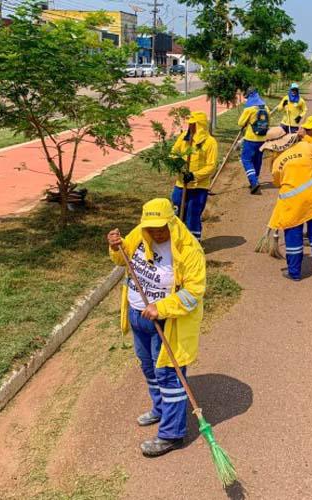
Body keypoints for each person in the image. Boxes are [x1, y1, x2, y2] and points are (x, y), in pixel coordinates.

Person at [107, 198, 207, 457]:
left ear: (171, 222)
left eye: (161, 227)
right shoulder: (140, 234)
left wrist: (161, 308)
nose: (156, 233)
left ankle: (172, 434)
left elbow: (194, 292)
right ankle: (160, 409)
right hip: (138, 316)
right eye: (150, 228)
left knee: (169, 375)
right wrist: (116, 247)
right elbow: (122, 260)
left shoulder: (189, 250)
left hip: (167, 322)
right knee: (149, 368)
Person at [269, 128, 312, 283]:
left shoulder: (277, 163)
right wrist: (306, 138)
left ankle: (294, 273)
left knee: (293, 237)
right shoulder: (304, 147)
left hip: (292, 206)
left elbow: (277, 182)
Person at [171, 111, 218, 241]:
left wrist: (194, 175)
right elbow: (174, 152)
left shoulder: (210, 142)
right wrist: (180, 166)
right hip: (181, 184)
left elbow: (211, 166)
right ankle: (177, 239)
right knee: (176, 210)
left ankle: (193, 243)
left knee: (193, 214)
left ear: (200, 125)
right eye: (190, 124)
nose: (190, 127)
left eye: (194, 125)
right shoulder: (183, 138)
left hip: (199, 187)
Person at [237, 88, 270, 194]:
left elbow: (240, 123)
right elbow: (268, 122)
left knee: (246, 160)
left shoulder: (249, 109)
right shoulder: (266, 107)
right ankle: (255, 180)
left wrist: (247, 122)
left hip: (251, 139)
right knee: (257, 160)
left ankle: (254, 181)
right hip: (262, 139)